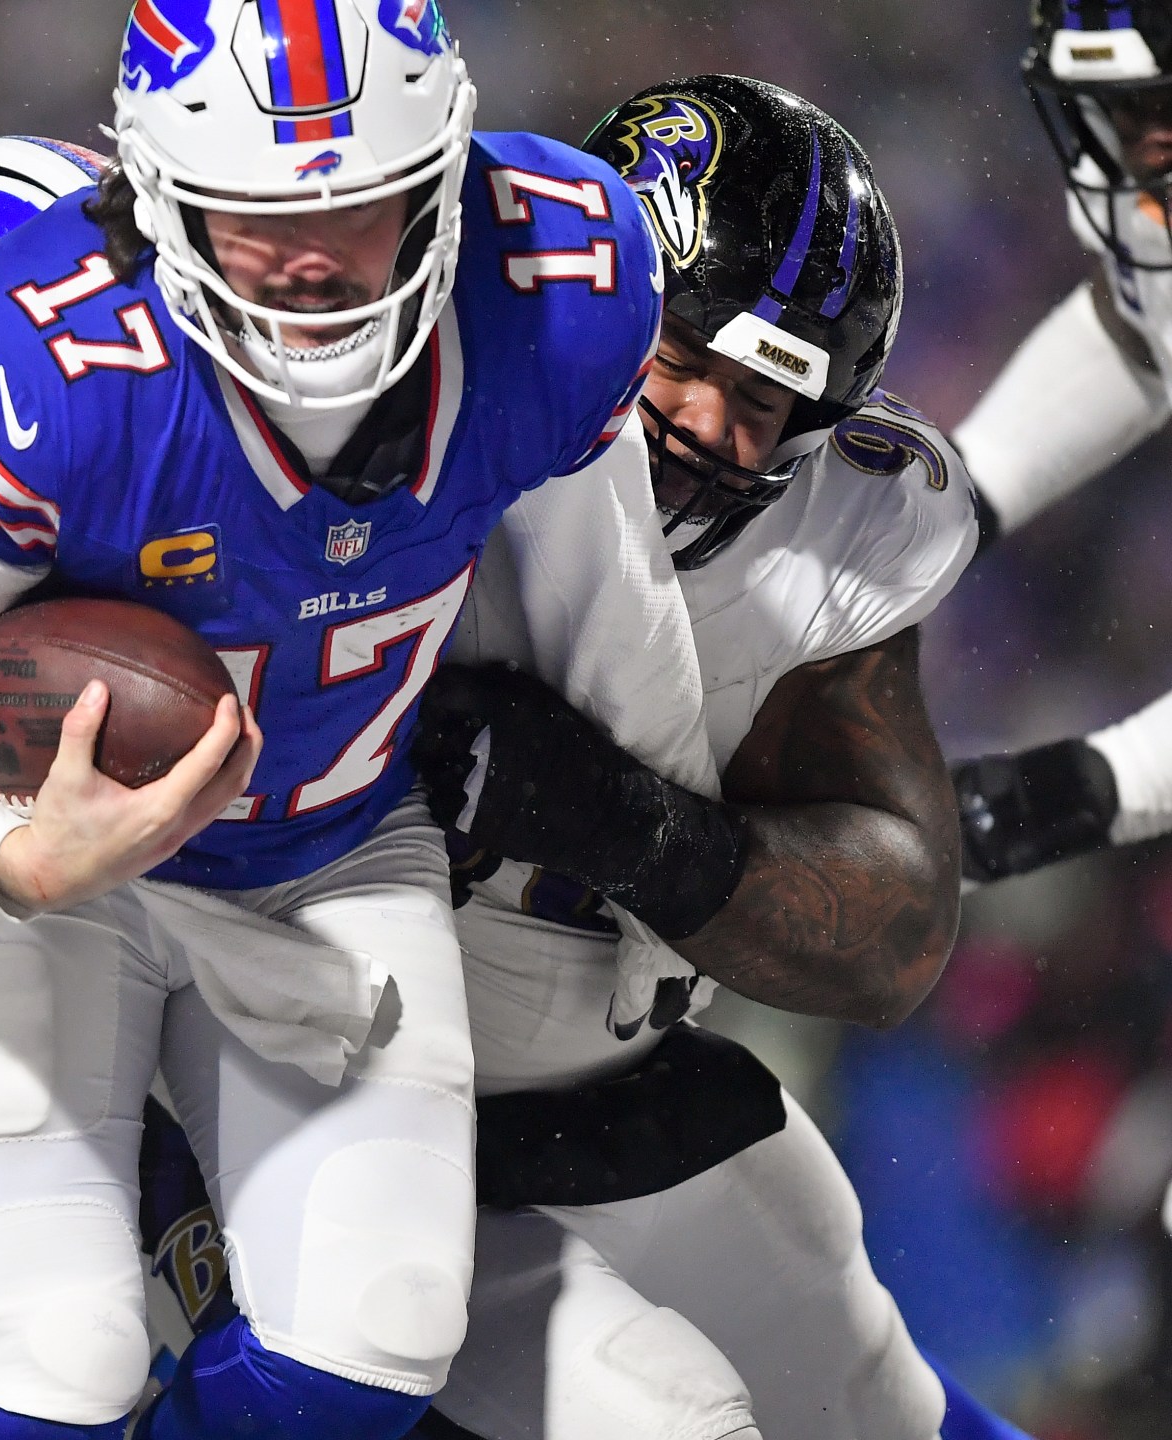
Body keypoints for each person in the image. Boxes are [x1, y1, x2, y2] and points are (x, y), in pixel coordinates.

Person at [0, 1, 716, 1433]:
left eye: (361, 205)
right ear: (155, 192)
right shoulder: (40, 359)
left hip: (335, 847)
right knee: (63, 1364)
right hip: (43, 867)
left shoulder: (564, 278)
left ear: (449, 175)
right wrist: (9, 856)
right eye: (250, 214)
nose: (307, 260)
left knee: (377, 1348)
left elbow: (615, 598)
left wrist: (668, 864)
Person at [394, 75, 1025, 1440]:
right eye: (680, 352)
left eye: (766, 396)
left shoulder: (827, 530)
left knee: (873, 1404)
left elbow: (894, 938)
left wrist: (626, 824)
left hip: (598, 1071)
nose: (708, 427)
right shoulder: (402, 395)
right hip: (317, 1079)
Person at [946, 0, 1172, 882]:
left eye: (1162, 104)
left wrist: (1089, 788)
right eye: (1115, 107)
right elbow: (1138, 324)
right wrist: (963, 496)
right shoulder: (1140, 187)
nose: (1139, 144)